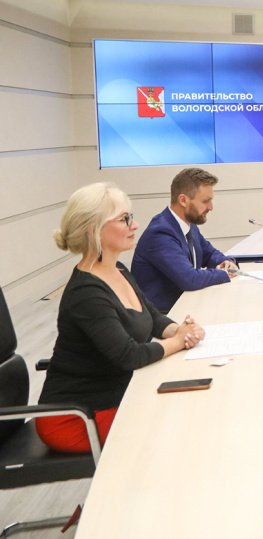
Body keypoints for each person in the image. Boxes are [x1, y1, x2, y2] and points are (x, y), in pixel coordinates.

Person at [36, 183, 204, 453]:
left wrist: (180, 330)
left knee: (187, 413)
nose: (134, 225)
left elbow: (153, 317)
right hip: (77, 418)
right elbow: (129, 355)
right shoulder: (86, 293)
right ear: (93, 229)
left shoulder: (119, 270)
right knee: (179, 424)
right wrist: (179, 342)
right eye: (124, 219)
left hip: (114, 399)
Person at [132, 168, 235, 312]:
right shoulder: (160, 233)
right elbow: (190, 279)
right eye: (205, 201)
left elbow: (209, 253)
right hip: (164, 317)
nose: (211, 207)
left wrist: (225, 262)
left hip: (186, 309)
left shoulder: (188, 225)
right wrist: (223, 273)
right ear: (183, 200)